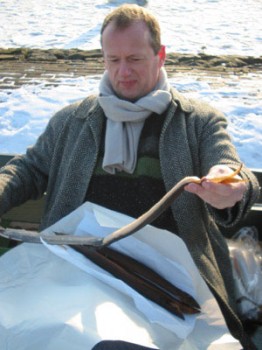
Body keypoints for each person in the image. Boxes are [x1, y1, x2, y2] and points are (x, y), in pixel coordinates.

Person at [0, 4, 260, 350]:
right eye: (113, 60)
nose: (123, 72)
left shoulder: (198, 122)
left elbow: (229, 167)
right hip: (79, 265)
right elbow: (28, 169)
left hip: (168, 282)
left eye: (135, 59)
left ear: (161, 56)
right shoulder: (71, 121)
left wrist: (231, 186)